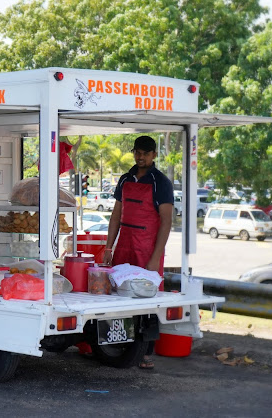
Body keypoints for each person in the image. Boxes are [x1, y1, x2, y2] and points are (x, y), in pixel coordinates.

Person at [103, 135, 173, 369]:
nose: (140, 156)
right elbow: (116, 216)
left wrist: (155, 258)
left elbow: (166, 222)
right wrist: (108, 247)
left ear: (154, 155)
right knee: (119, 297)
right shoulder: (124, 179)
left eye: (145, 152)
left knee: (147, 302)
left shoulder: (160, 182)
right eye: (137, 152)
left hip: (147, 250)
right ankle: (119, 348)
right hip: (124, 246)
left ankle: (145, 353)